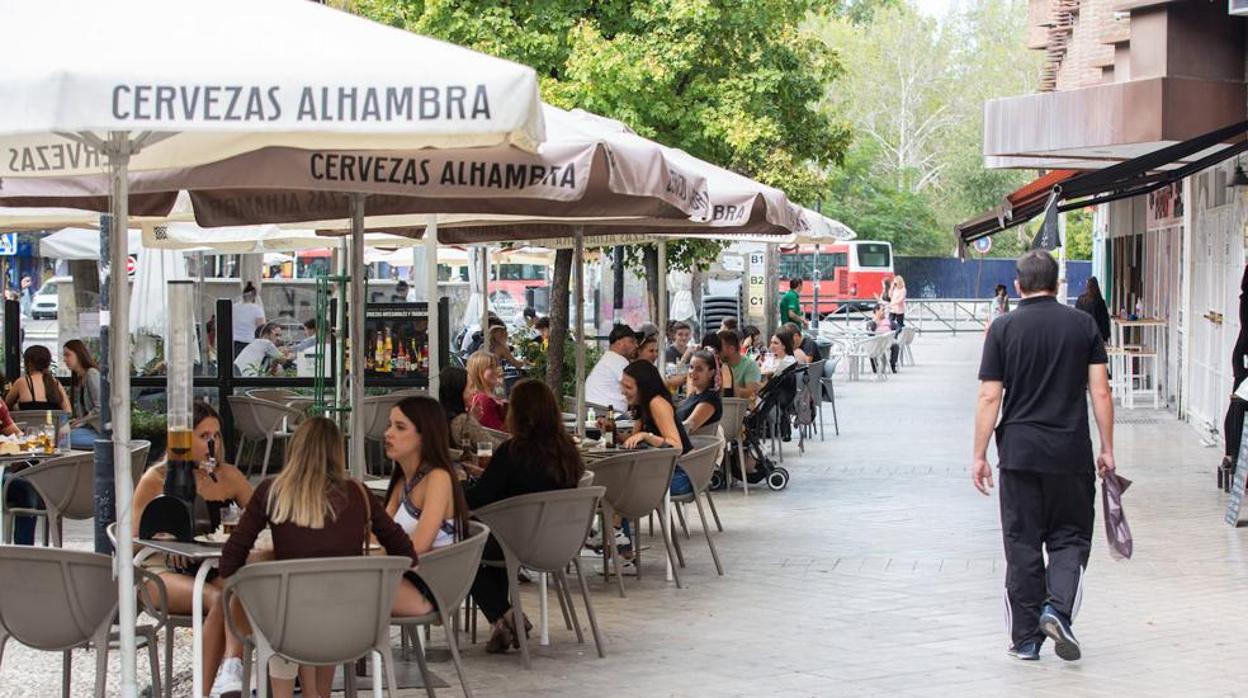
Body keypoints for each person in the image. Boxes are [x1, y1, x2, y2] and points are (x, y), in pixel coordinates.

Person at [973, 250, 1115, 663]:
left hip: (1018, 453)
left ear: (1018, 285)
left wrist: (979, 454)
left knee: (1022, 543)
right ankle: (1058, 609)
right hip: (1071, 453)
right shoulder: (1083, 325)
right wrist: (1107, 448)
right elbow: (1101, 392)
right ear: (1057, 284)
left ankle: (1026, 640)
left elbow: (989, 395)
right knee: (1070, 537)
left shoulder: (1003, 328)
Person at [219, 417, 423, 698]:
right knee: (325, 603)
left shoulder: (272, 491)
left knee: (281, 608)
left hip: (289, 629)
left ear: (296, 449)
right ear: (337, 452)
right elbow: (407, 554)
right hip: (351, 628)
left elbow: (228, 563)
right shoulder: (359, 494)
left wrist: (271, 556)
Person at [132, 402, 253, 698]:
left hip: (213, 567)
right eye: (203, 436)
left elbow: (262, 520)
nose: (212, 443)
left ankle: (231, 670)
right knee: (219, 599)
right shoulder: (159, 479)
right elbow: (132, 540)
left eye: (217, 435)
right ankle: (221, 679)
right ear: (183, 440)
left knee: (243, 589)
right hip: (161, 572)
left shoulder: (230, 476)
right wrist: (159, 535)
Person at [466, 379, 585, 653]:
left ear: (518, 413)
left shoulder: (514, 451)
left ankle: (507, 616)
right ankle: (501, 624)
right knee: (495, 542)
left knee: (461, 547)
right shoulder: (568, 452)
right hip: (559, 542)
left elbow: (479, 498)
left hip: (518, 542)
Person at [383, 396, 471, 558]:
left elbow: (419, 546)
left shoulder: (438, 478)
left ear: (424, 436)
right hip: (402, 571)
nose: (388, 433)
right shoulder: (402, 481)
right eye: (389, 425)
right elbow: (380, 532)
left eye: (400, 427)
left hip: (431, 577)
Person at [621, 361, 693, 498]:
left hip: (681, 475)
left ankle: (617, 520)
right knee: (618, 485)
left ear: (643, 387)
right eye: (622, 385)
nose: (622, 391)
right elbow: (632, 441)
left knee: (621, 489)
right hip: (662, 472)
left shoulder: (657, 403)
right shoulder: (643, 405)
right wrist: (609, 430)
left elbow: (676, 447)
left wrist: (646, 436)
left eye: (628, 387)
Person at [585, 323, 638, 412]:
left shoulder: (608, 359)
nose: (636, 346)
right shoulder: (618, 361)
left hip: (595, 410)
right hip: (608, 414)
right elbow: (637, 387)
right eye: (631, 341)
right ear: (619, 343)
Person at [439, 366, 493, 450]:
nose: (475, 390)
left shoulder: (439, 417)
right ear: (458, 391)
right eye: (471, 387)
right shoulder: (465, 421)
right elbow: (489, 447)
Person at [5, 345, 70, 412]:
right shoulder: (55, 383)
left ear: (29, 363)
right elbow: (68, 411)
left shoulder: (22, 382)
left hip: (27, 422)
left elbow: (6, 406)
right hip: (53, 422)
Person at [63, 339, 101, 450]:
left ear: (79, 355)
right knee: (60, 435)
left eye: (68, 355)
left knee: (61, 438)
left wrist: (80, 421)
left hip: (99, 431)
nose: (65, 359)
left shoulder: (92, 374)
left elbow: (100, 408)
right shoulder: (80, 378)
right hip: (88, 429)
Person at [678, 349, 723, 433]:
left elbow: (688, 427)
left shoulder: (710, 399)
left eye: (699, 369)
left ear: (711, 373)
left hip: (693, 444)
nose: (693, 372)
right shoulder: (694, 395)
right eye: (691, 367)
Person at [466, 351, 507, 431]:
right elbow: (496, 430)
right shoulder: (483, 399)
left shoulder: (488, 394)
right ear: (478, 371)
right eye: (491, 367)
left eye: (497, 366)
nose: (497, 370)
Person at [720, 330, 760, 400]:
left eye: (719, 347)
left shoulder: (750, 365)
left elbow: (751, 394)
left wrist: (728, 386)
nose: (716, 351)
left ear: (731, 349)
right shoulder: (717, 365)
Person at [231, 282, 266, 357]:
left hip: (234, 342)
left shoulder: (234, 307)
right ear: (254, 296)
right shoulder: (257, 309)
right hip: (249, 342)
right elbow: (261, 328)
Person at [864, 304, 900, 374]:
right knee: (872, 347)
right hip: (877, 341)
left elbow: (898, 327)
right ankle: (875, 368)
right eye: (882, 310)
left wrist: (895, 334)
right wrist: (875, 322)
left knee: (896, 345)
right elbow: (870, 333)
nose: (884, 312)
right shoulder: (871, 322)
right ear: (877, 311)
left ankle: (892, 366)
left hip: (888, 341)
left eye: (884, 310)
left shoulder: (888, 321)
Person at [1074, 277, 1110, 343]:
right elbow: (1104, 321)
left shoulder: (1080, 300)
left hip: (1082, 335)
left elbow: (1075, 318)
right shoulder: (1100, 302)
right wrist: (1105, 337)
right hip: (1096, 336)